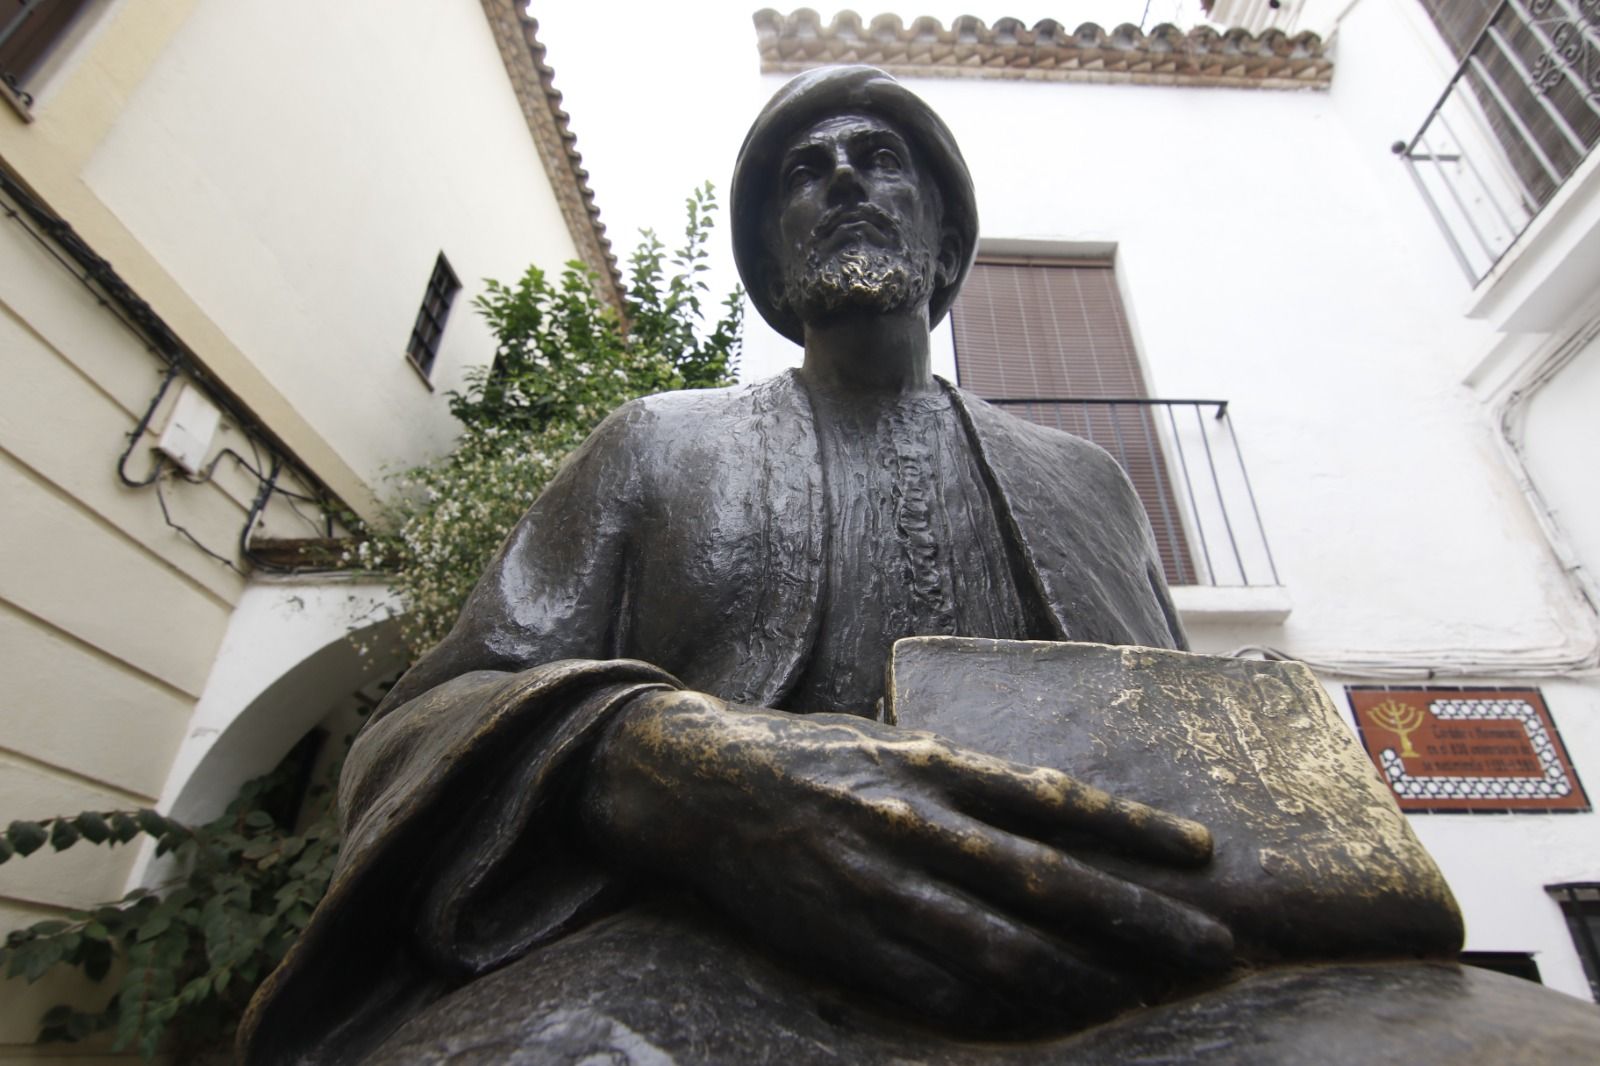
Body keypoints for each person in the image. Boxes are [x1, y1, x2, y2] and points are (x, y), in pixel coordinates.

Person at [240, 68, 1598, 1065]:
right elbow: (412, 732)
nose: (838, 176)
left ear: (946, 246)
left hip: (1124, 977)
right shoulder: (652, 447)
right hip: (702, 959)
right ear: (774, 259)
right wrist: (652, 757)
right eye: (800, 170)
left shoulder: (1086, 484)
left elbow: (1201, 773)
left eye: (879, 157)